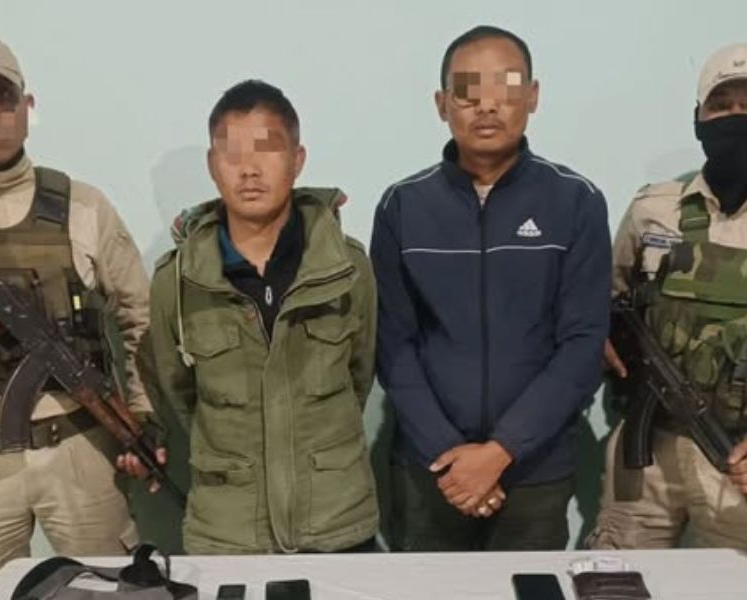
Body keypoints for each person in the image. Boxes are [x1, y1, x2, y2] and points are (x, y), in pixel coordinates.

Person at [370, 25, 611, 551]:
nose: (486, 106)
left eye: (505, 88)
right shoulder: (402, 206)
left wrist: (501, 451)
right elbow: (393, 345)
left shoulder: (576, 201)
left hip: (536, 469)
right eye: (467, 92)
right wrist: (451, 459)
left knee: (528, 587)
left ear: (533, 96)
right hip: (431, 468)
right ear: (441, 104)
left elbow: (583, 344)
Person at [0, 31, 151, 599]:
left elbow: (141, 319)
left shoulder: (82, 205)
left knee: (114, 591)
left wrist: (141, 415)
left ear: (27, 107)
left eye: (1, 99)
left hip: (79, 449)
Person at [138, 79, 378, 553]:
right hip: (228, 532)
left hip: (336, 522)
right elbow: (178, 394)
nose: (249, 169)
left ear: (297, 159)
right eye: (231, 154)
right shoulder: (178, 282)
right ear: (213, 166)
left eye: (267, 149)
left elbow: (360, 373)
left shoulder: (348, 267)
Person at [589, 43, 747, 550]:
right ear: (699, 119)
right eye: (721, 105)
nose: (735, 116)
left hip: (735, 461)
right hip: (648, 447)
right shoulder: (653, 210)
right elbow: (608, 302)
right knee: (618, 576)